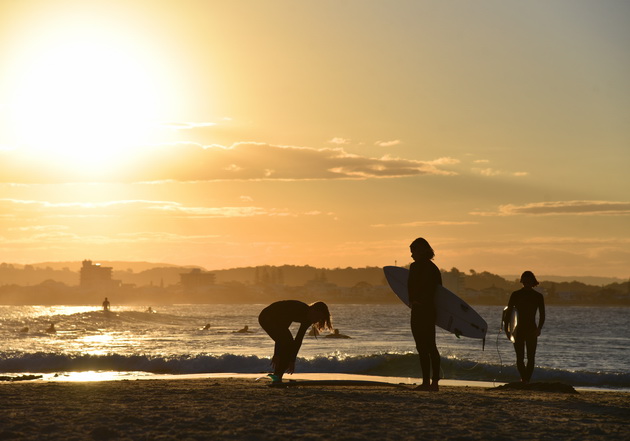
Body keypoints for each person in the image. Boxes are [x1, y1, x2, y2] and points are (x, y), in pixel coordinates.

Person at [258, 300, 332, 384]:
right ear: (313, 310)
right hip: (266, 317)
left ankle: (277, 376)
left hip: (279, 321)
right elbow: (281, 334)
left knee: (289, 345)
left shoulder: (308, 319)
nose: (316, 321)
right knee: (286, 343)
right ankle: (277, 377)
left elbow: (298, 340)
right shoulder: (297, 309)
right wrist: (277, 354)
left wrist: (292, 360)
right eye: (318, 317)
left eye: (320, 319)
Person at [408, 237, 442, 391]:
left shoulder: (432, 269)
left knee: (430, 346)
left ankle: (434, 383)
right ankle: (426, 382)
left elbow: (436, 290)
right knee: (421, 347)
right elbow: (410, 287)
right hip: (417, 310)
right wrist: (414, 302)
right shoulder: (414, 267)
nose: (411, 255)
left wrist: (420, 301)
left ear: (420, 250)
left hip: (427, 311)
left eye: (413, 251)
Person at [507, 271, 545, 384]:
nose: (527, 283)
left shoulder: (538, 296)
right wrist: (506, 330)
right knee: (520, 357)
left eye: (529, 281)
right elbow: (508, 313)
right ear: (522, 281)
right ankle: (524, 379)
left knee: (531, 357)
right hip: (518, 330)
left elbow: (542, 314)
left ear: (533, 282)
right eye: (525, 281)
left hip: (532, 329)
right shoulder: (515, 294)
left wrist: (539, 328)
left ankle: (526, 380)